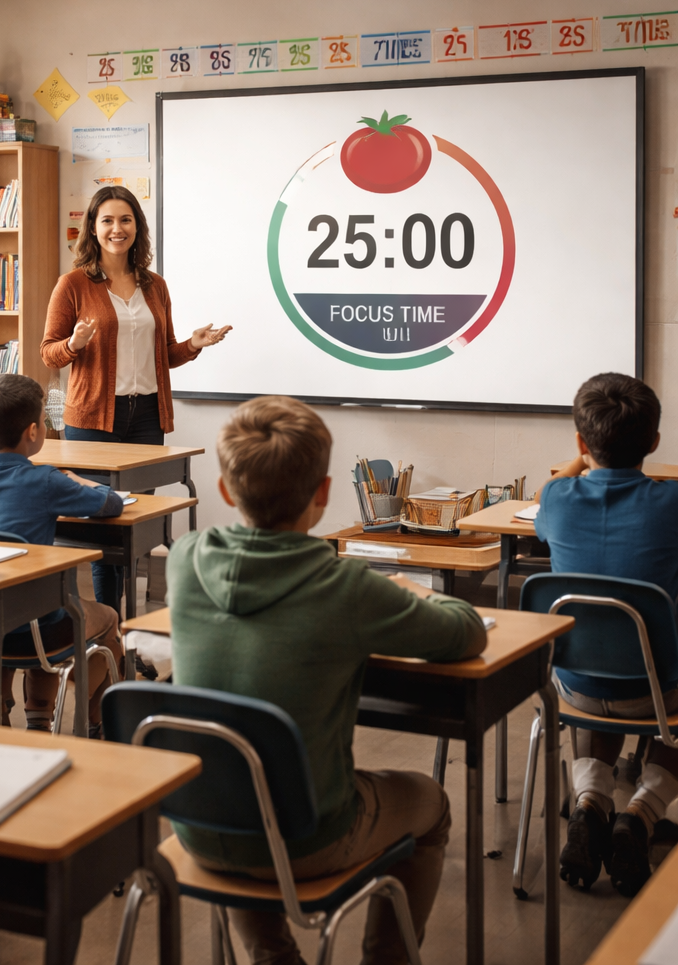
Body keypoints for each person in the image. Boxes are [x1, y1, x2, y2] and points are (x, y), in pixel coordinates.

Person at [167, 396, 487, 965]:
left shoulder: (186, 559)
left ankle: (273, 955)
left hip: (197, 823)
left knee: (246, 778)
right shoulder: (345, 587)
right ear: (322, 493)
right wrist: (406, 595)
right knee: (431, 803)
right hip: (309, 838)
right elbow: (464, 634)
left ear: (222, 490)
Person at [40, 184, 231, 612]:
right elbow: (48, 351)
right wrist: (74, 344)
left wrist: (194, 344)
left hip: (146, 416)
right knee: (102, 526)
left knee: (138, 526)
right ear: (92, 227)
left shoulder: (154, 285)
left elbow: (164, 357)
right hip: (91, 420)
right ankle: (108, 627)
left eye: (125, 220)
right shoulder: (72, 284)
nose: (116, 228)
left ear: (136, 227)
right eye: (107, 220)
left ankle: (133, 628)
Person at [533, 372, 678, 896]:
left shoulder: (556, 497)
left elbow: (549, 494)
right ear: (655, 443)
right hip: (656, 696)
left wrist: (580, 458)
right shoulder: (672, 504)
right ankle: (642, 813)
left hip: (574, 688)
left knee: (606, 665)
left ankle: (591, 799)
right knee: (651, 673)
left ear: (579, 441)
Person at [0, 373, 124, 735]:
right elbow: (110, 504)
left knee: (19, 605)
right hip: (40, 627)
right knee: (102, 616)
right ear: (32, 432)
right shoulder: (47, 481)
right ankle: (92, 726)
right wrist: (76, 480)